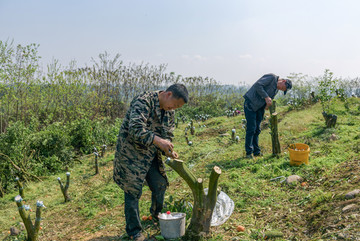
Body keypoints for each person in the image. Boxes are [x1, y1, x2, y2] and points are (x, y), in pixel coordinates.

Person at [113, 84, 188, 241]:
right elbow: (135, 129)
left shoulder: (169, 112)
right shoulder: (144, 101)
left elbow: (167, 133)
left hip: (150, 153)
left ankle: (157, 216)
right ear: (168, 94)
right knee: (132, 190)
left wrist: (167, 147)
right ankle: (134, 232)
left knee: (160, 183)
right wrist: (159, 141)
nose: (173, 109)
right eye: (174, 105)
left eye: (177, 107)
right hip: (131, 154)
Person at [243, 73, 292, 159]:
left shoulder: (276, 90)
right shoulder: (271, 77)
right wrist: (266, 97)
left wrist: (267, 105)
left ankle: (256, 151)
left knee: (257, 129)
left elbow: (270, 98)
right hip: (250, 103)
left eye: (283, 90)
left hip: (259, 108)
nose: (281, 89)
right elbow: (258, 85)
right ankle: (248, 152)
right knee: (251, 128)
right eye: (283, 88)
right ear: (283, 81)